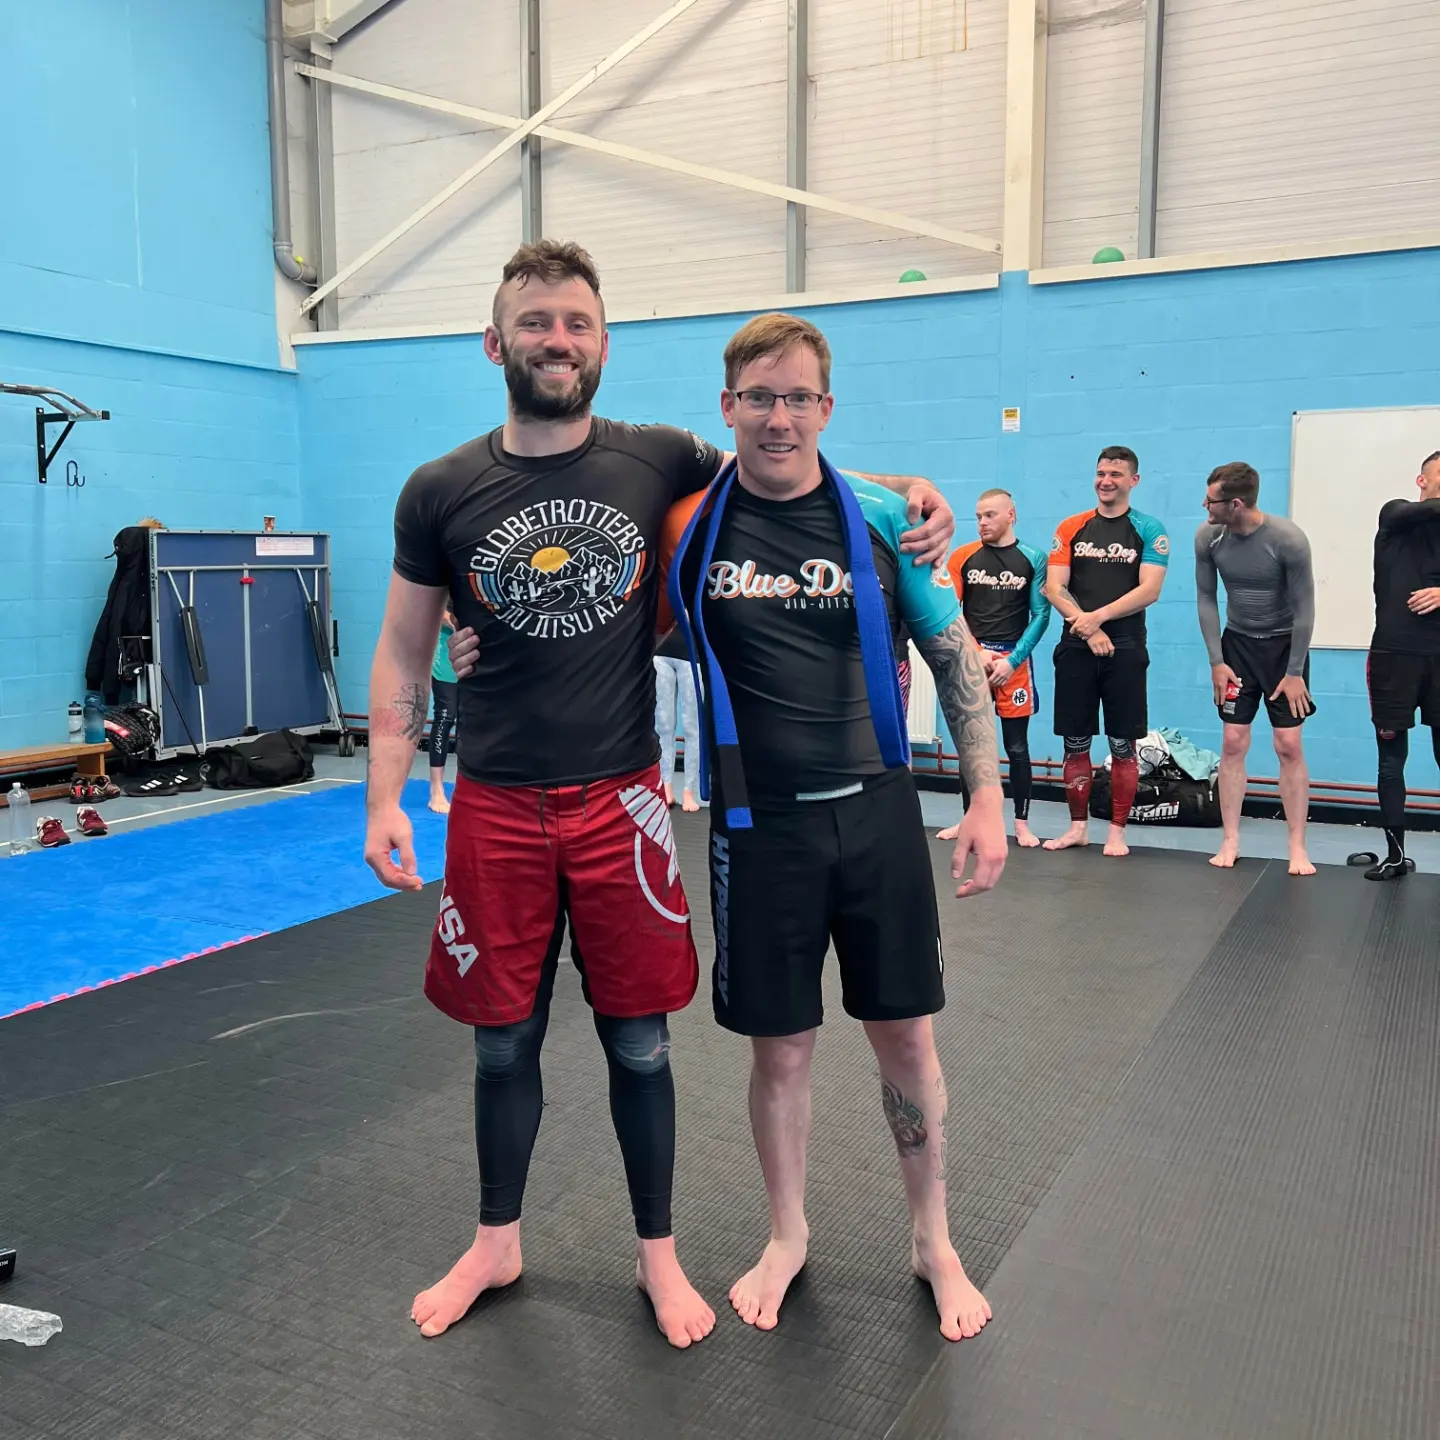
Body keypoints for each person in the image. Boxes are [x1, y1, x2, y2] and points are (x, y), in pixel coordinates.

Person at [370, 239, 955, 1350]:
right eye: (535, 322)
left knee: (641, 1044)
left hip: (621, 799)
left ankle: (659, 1256)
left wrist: (905, 492)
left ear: (602, 344)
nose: (557, 341)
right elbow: (403, 650)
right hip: (495, 800)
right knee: (501, 1044)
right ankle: (496, 1242)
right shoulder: (440, 488)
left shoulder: (658, 458)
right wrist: (383, 798)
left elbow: (784, 456)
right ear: (495, 343)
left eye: (577, 324)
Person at [660, 313, 1007, 1344]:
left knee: (907, 1035)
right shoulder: (688, 524)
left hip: (877, 815)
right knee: (782, 1053)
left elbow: (953, 657)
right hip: (756, 828)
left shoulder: (884, 516)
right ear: (728, 407)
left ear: (826, 406)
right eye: (760, 397)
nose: (780, 417)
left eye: (799, 397)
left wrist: (987, 797)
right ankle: (787, 1233)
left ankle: (933, 1239)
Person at [1042, 447, 1170, 857]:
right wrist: (1089, 629)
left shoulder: (1149, 529)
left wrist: (1096, 619)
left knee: (1122, 745)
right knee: (1075, 742)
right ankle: (1077, 828)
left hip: (1126, 649)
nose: (1106, 480)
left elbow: (1150, 590)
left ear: (1134, 480)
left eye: (1115, 473)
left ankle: (1117, 832)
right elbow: (1054, 587)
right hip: (1076, 647)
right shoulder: (1072, 526)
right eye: (1100, 473)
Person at [1194, 462, 1316, 875]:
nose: (1204, 506)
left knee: (1288, 745)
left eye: (1211, 500)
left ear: (1236, 504)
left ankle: (1297, 846)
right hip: (1238, 647)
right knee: (1232, 742)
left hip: (1284, 649)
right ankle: (1230, 839)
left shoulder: (1288, 540)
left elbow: (1305, 608)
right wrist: (1217, 661)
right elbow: (1206, 599)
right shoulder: (1208, 537)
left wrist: (1295, 671)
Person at [936, 488, 1052, 848]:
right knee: (971, 747)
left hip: (1014, 664)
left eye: (989, 515)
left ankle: (1021, 824)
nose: (982, 523)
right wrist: (976, 653)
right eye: (978, 516)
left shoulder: (1033, 558)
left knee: (1016, 747)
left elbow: (1041, 614)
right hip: (972, 662)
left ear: (1010, 515)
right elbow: (949, 610)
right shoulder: (963, 556)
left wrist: (1013, 660)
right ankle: (969, 820)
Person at [1358, 450, 1440, 880]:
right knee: (1392, 761)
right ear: (1421, 479)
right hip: (1393, 657)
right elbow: (1416, 511)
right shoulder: (1395, 515)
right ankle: (1395, 856)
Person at [654, 627, 701, 811]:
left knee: (691, 727)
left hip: (692, 654)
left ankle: (689, 791)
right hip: (660, 652)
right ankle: (666, 787)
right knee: (663, 727)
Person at [428, 607, 460, 813]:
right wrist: (458, 624)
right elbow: (437, 610)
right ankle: (436, 792)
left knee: (471, 720)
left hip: (473, 651)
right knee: (445, 716)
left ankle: (468, 786)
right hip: (445, 648)